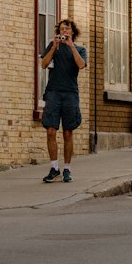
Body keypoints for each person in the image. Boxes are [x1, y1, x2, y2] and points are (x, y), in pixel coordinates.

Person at [39, 18, 87, 183]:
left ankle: (67, 168)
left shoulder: (80, 49)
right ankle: (54, 168)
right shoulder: (53, 47)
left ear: (72, 31)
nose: (64, 31)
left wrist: (71, 46)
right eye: (61, 29)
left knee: (68, 132)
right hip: (53, 92)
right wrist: (53, 47)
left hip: (70, 93)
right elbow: (44, 64)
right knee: (50, 131)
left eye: (67, 29)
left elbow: (81, 65)